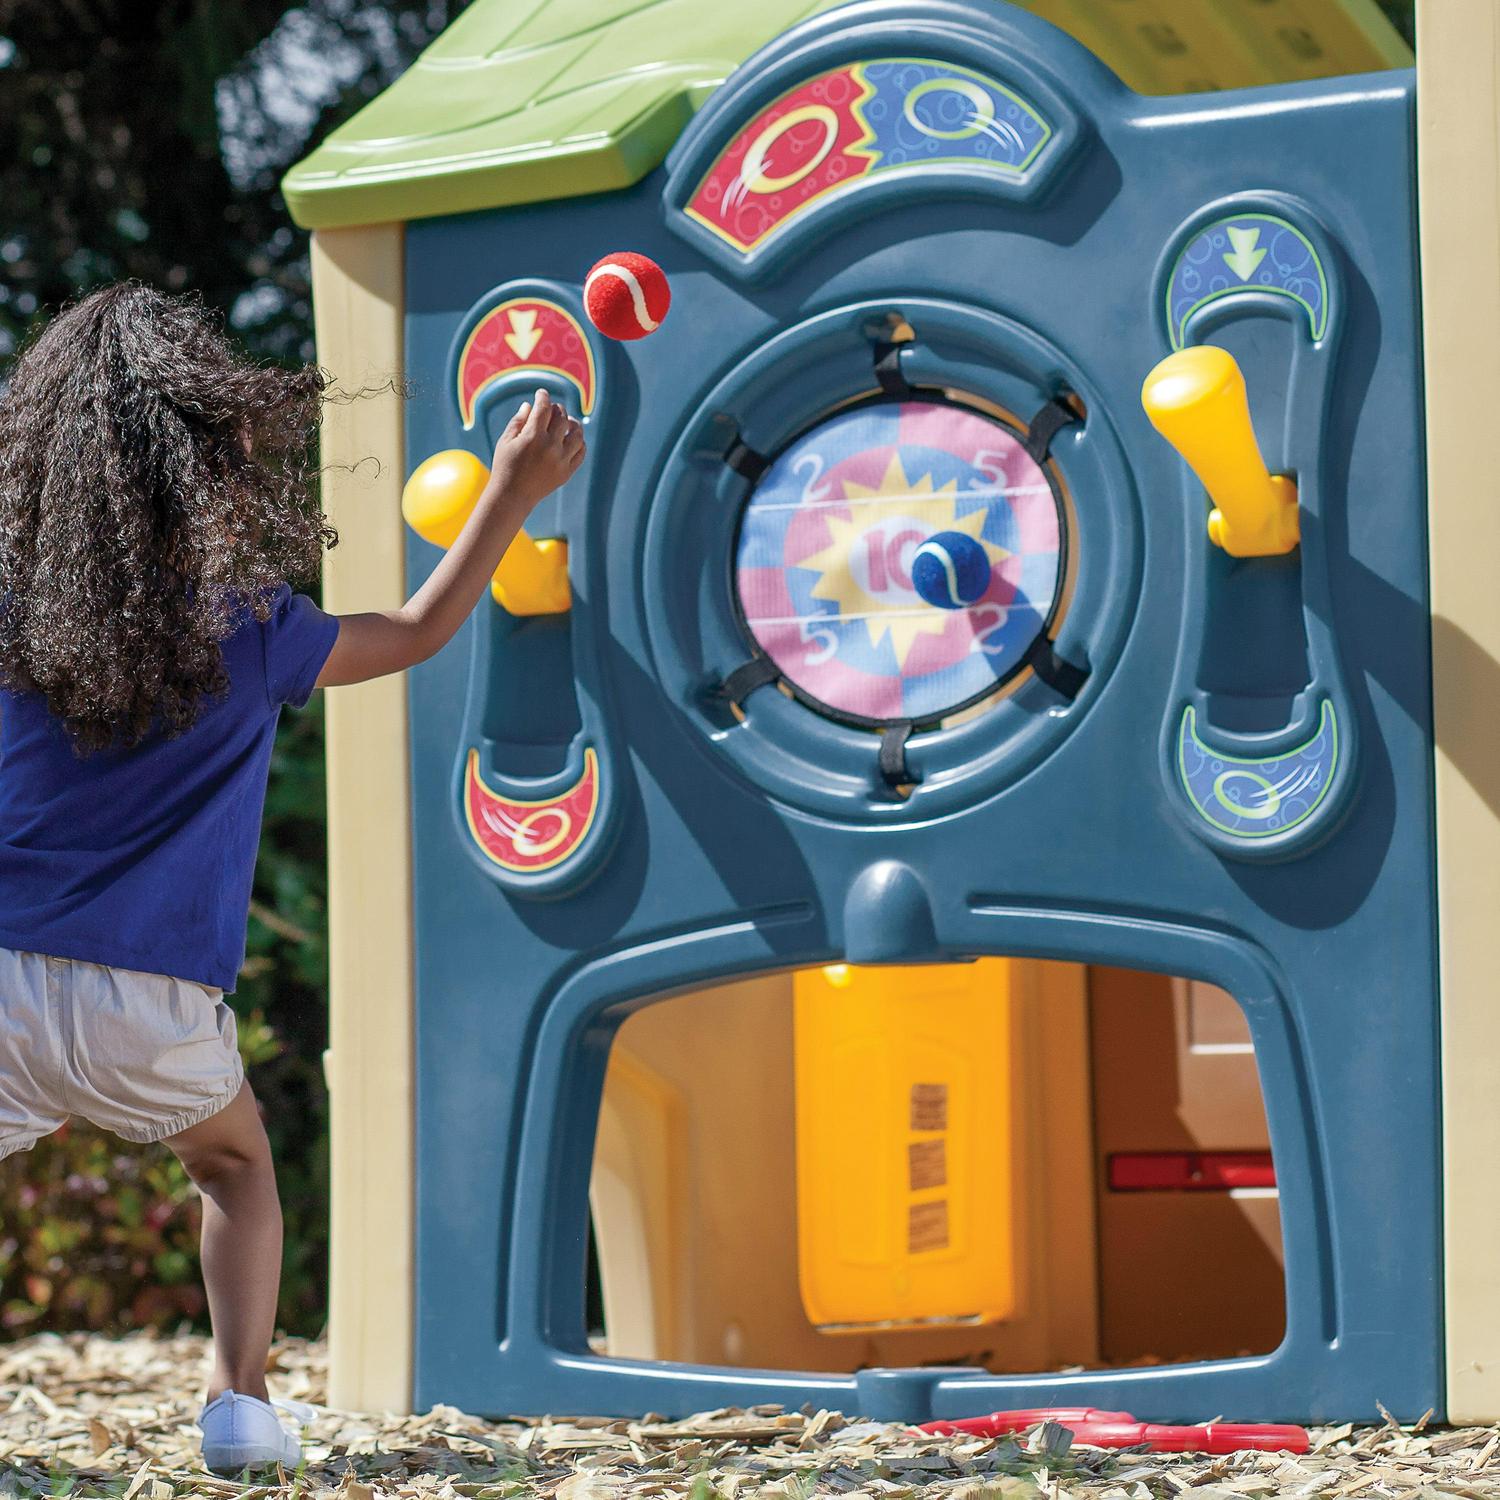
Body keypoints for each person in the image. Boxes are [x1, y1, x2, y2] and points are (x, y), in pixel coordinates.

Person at [0, 283, 584, 1471]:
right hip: (152, 1003)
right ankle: (240, 1403)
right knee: (232, 1164)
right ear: (210, 469)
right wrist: (515, 492)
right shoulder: (251, 629)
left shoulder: (13, 626)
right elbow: (417, 630)